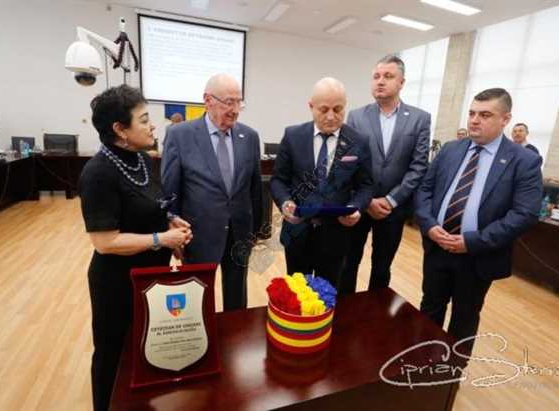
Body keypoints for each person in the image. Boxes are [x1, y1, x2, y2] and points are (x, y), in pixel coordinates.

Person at [78, 85, 193, 411]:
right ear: (120, 129)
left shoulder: (142, 160)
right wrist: (161, 240)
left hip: (150, 276)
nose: (152, 125)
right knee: (113, 355)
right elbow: (104, 242)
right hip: (116, 283)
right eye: (143, 120)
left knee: (146, 347)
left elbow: (151, 205)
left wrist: (171, 221)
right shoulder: (98, 173)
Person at [414, 88, 542, 357]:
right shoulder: (451, 149)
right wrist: (429, 225)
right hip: (437, 246)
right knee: (430, 306)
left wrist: (473, 241)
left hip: (478, 255)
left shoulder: (524, 161)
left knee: (464, 316)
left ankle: (450, 373)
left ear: (505, 119)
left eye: (485, 115)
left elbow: (525, 213)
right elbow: (425, 190)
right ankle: (422, 362)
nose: (474, 120)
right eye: (472, 113)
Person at [161, 73, 263, 311]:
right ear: (207, 100)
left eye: (239, 102)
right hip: (197, 235)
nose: (235, 110)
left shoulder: (249, 137)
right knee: (196, 299)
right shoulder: (180, 135)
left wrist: (257, 230)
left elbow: (255, 189)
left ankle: (235, 331)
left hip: (239, 233)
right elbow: (170, 189)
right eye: (229, 102)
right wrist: (171, 226)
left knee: (237, 298)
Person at [270, 77, 374, 290]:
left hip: (336, 235)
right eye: (324, 109)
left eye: (338, 109)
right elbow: (278, 180)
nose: (331, 116)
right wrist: (285, 202)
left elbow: (366, 185)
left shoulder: (359, 141)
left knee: (328, 294)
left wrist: (357, 208)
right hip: (298, 232)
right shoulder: (293, 136)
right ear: (311, 106)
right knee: (297, 294)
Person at [340, 55, 430, 294]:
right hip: (359, 205)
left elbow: (419, 167)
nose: (380, 81)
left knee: (382, 268)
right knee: (348, 263)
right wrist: (367, 200)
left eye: (388, 76)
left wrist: (390, 200)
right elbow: (348, 163)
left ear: (402, 82)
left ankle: (374, 311)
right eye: (376, 76)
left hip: (393, 209)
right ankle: (346, 310)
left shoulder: (420, 119)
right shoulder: (357, 116)